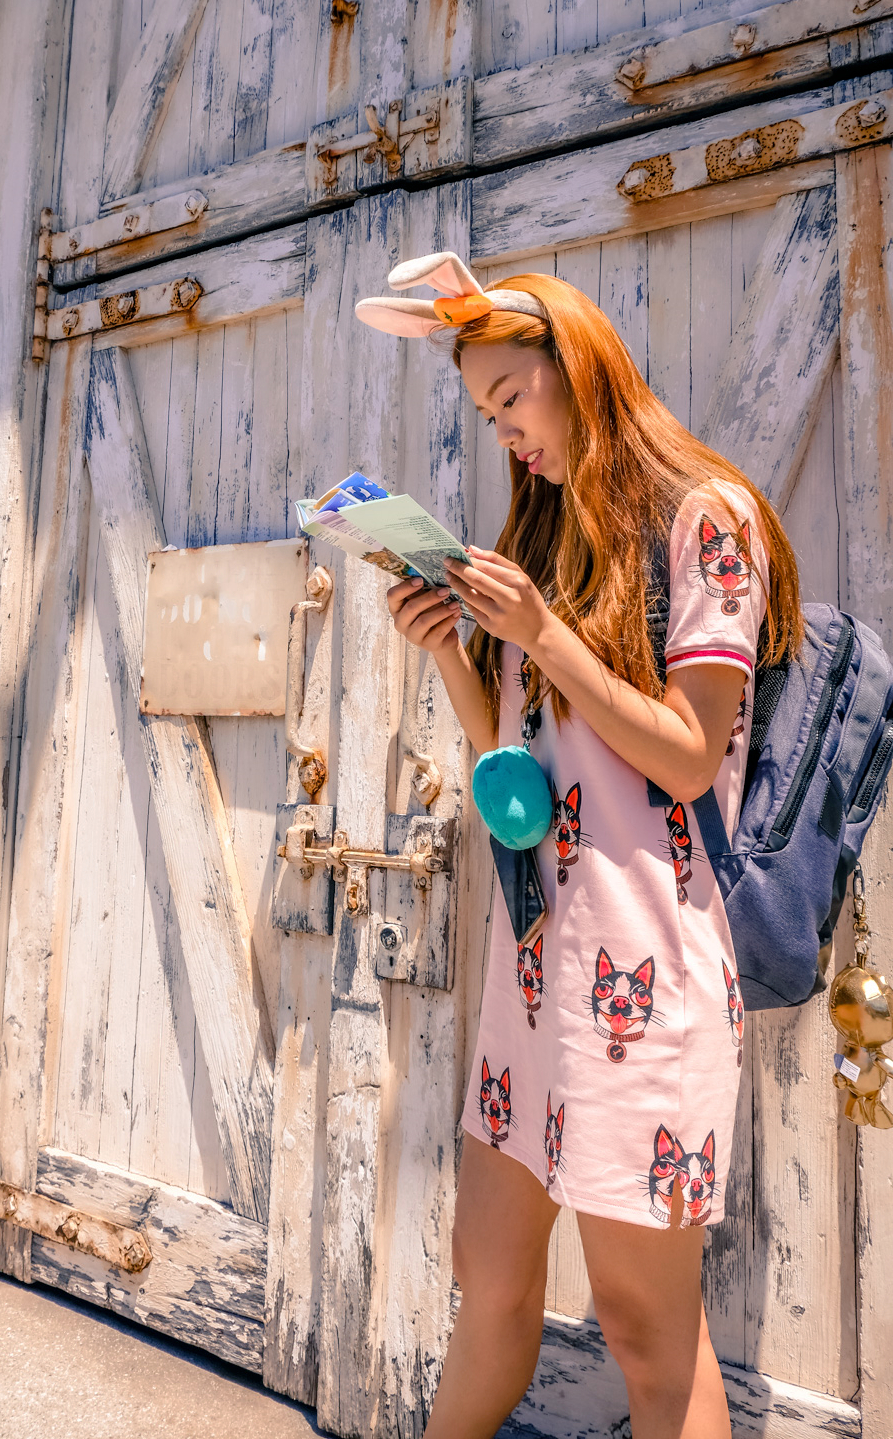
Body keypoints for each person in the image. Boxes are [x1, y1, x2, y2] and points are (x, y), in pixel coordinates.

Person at [371, 267, 803, 1439]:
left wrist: (544, 635)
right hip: (535, 978)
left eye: (514, 397)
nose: (506, 432)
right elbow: (521, 786)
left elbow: (689, 757)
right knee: (490, 1280)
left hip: (649, 976)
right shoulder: (550, 538)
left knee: (646, 1334)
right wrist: (453, 654)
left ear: (583, 367)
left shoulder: (708, 519)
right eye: (488, 414)